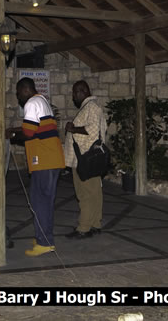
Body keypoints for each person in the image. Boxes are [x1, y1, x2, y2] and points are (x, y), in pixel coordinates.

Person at [6, 77, 65, 257]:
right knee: (43, 200)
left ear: (25, 90)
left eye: (18, 93)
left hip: (44, 161)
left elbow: (28, 133)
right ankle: (43, 237)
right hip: (52, 159)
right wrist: (15, 130)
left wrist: (12, 135)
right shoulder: (42, 100)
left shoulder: (31, 103)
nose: (18, 96)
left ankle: (44, 242)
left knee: (41, 202)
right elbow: (33, 128)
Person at [63, 80, 108, 240]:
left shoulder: (92, 108)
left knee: (85, 194)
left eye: (75, 92)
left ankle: (84, 227)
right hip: (88, 159)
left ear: (83, 91)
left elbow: (93, 130)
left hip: (85, 159)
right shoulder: (91, 108)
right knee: (94, 192)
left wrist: (72, 128)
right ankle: (95, 223)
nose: (73, 96)